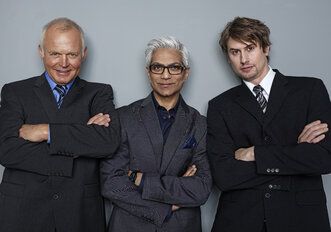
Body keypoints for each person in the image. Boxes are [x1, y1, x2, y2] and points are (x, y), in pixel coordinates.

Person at [207, 17, 331, 232]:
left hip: (302, 219)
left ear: (265, 48)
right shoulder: (220, 106)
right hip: (241, 221)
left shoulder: (310, 90)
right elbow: (225, 176)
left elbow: (323, 159)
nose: (244, 59)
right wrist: (296, 152)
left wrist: (255, 153)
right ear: (228, 58)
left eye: (250, 48)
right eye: (235, 52)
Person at [0, 17, 120, 232]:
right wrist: (77, 148)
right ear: (41, 52)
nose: (63, 63)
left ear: (83, 54)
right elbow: (7, 150)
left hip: (80, 213)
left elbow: (107, 141)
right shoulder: (15, 92)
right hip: (23, 212)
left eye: (72, 54)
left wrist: (46, 131)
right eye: (55, 53)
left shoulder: (99, 93)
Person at [100, 36, 212, 232]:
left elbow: (201, 188)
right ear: (148, 72)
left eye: (174, 67)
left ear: (185, 73)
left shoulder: (200, 123)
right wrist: (165, 208)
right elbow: (111, 183)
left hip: (182, 227)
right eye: (158, 67)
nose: (165, 76)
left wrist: (140, 179)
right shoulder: (123, 117)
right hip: (129, 226)